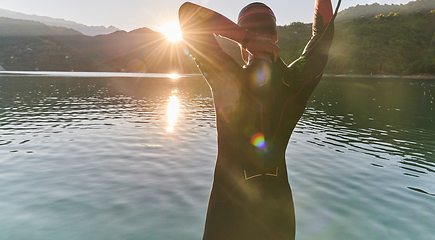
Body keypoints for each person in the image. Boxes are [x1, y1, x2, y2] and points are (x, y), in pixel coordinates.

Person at [178, 1, 334, 239]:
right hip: (278, 213)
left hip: (227, 212)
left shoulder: (227, 76)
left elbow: (188, 14)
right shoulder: (297, 81)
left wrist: (245, 38)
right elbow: (323, 34)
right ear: (276, 38)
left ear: (242, 48)